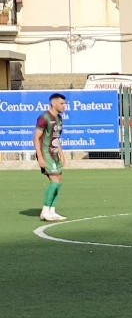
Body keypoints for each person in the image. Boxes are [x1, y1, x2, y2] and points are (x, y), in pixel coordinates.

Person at [35, 92, 67, 222]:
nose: (64, 106)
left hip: (54, 154)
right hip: (46, 154)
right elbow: (36, 138)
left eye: (65, 103)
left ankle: (52, 211)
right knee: (54, 180)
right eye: (62, 103)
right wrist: (40, 157)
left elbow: (57, 138)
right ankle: (45, 211)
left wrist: (62, 154)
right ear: (53, 103)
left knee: (59, 180)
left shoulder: (59, 118)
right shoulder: (44, 118)